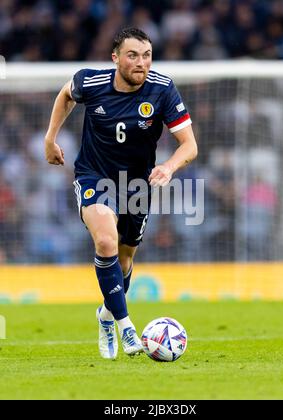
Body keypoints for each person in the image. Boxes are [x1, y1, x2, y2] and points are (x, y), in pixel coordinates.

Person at [45, 28, 198, 359]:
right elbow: (65, 95)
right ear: (116, 58)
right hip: (94, 176)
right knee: (105, 242)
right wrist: (50, 138)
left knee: (125, 259)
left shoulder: (162, 89)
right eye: (133, 55)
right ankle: (126, 326)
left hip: (136, 185)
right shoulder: (92, 82)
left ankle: (105, 316)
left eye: (146, 55)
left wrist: (169, 168)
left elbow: (189, 145)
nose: (141, 63)